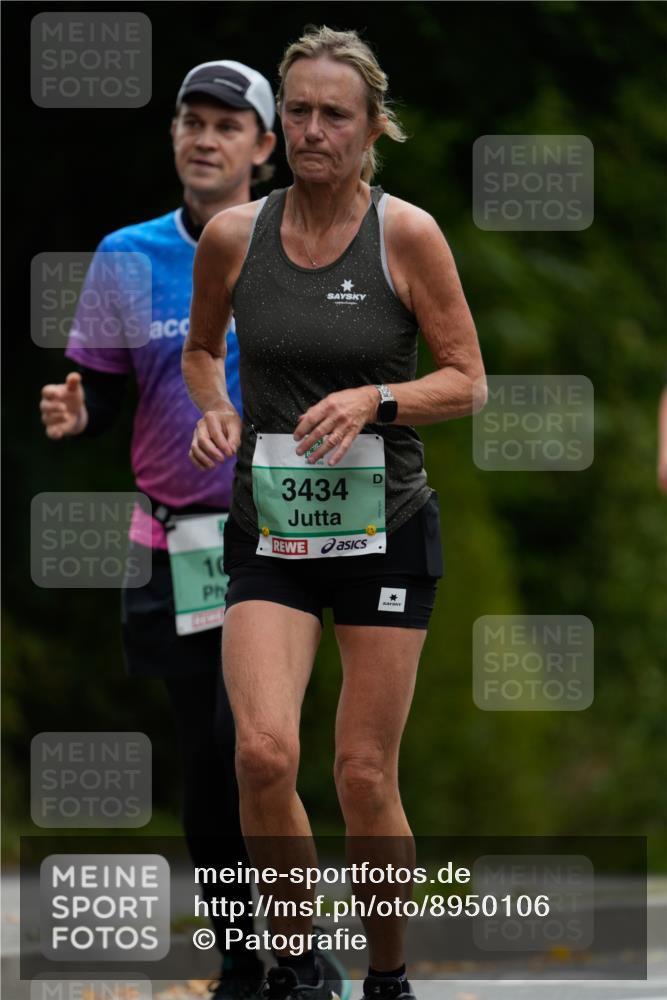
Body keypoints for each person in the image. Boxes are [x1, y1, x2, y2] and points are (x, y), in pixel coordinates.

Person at [183, 26, 486, 1000]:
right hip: (268, 524)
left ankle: (387, 972)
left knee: (362, 774)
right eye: (300, 112)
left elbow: (468, 382)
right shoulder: (235, 236)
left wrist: (373, 400)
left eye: (335, 115)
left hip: (381, 526)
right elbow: (200, 350)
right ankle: (298, 956)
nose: (314, 130)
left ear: (370, 131)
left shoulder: (407, 234)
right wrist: (219, 410)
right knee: (263, 751)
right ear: (280, 124)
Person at [39, 60, 277, 1000]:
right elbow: (99, 385)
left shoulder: (296, 246)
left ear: (264, 148)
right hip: (174, 541)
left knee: (253, 744)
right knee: (207, 756)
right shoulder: (125, 254)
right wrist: (76, 412)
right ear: (175, 136)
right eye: (192, 121)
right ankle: (238, 958)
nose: (205, 138)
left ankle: (287, 946)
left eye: (228, 125)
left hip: (280, 537)